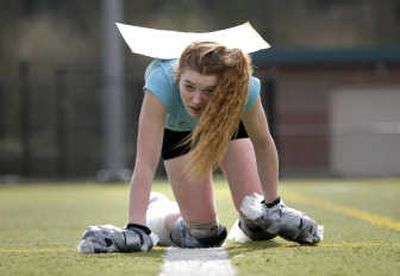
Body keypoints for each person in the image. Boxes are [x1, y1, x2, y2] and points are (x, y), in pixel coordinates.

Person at [78, 41, 322, 253]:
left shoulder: (242, 87)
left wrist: (272, 205)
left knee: (259, 223)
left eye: (209, 91)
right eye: (189, 87)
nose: (196, 99)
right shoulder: (161, 80)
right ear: (178, 76)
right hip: (180, 133)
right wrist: (136, 226)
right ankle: (160, 209)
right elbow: (146, 161)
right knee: (202, 235)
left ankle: (257, 218)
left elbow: (264, 144)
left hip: (226, 123)